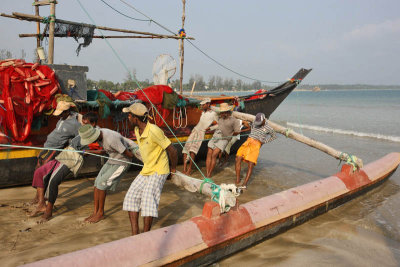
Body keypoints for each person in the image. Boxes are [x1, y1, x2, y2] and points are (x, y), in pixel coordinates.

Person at [29, 113, 99, 222]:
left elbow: (93, 149)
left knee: (53, 181)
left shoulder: (95, 133)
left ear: (93, 123)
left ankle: (48, 211)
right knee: (39, 172)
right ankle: (41, 203)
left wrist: (84, 151)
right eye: (83, 120)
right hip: (65, 153)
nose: (84, 122)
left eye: (87, 121)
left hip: (73, 158)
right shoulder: (81, 130)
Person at [122, 103, 177, 235]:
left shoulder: (153, 130)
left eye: (129, 116)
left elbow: (172, 150)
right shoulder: (137, 130)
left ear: (136, 118)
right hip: (147, 169)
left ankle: (145, 235)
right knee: (131, 196)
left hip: (159, 170)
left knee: (148, 197)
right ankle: (135, 234)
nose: (128, 118)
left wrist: (172, 170)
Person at [79, 124, 136, 223]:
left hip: (122, 162)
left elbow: (129, 154)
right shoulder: (101, 136)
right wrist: (89, 151)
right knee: (97, 183)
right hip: (111, 160)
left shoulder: (111, 139)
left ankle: (100, 213)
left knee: (102, 184)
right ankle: (95, 212)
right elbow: (104, 151)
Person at [36, 101, 81, 169]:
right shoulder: (61, 119)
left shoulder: (74, 124)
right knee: (39, 162)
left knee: (44, 166)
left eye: (61, 114)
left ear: (67, 112)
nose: (59, 116)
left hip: (55, 148)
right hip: (47, 145)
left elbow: (77, 138)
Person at [235, 113, 276, 188]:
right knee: (238, 158)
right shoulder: (254, 123)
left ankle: (244, 184)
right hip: (248, 141)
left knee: (251, 164)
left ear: (264, 120)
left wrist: (264, 141)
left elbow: (274, 136)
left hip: (256, 145)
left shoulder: (268, 128)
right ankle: (237, 180)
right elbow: (250, 127)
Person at [182, 98, 217, 175]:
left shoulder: (214, 113)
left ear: (208, 104)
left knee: (193, 150)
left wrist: (210, 128)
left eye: (203, 105)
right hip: (195, 130)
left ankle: (190, 169)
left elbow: (219, 124)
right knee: (186, 148)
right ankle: (184, 168)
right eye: (201, 105)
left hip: (201, 132)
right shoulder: (203, 112)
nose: (201, 106)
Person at [206, 103, 241, 178]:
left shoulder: (234, 121)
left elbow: (237, 131)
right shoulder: (220, 118)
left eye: (224, 112)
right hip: (215, 136)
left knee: (214, 155)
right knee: (209, 153)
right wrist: (210, 128)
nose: (222, 114)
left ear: (228, 112)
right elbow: (219, 126)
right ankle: (207, 173)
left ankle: (209, 175)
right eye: (221, 112)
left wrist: (231, 135)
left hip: (224, 139)